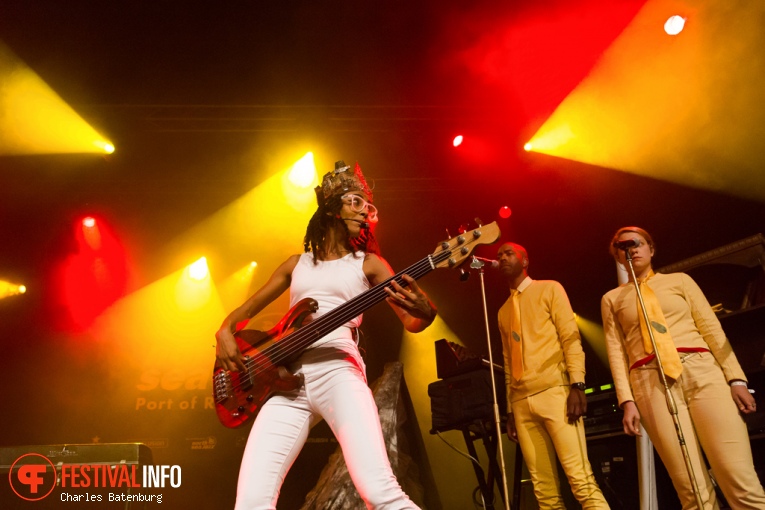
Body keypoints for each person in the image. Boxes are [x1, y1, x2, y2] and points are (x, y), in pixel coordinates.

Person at [215, 160, 437, 510]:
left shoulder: (369, 264)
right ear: (332, 207)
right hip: (289, 380)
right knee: (250, 502)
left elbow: (411, 322)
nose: (366, 213)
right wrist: (224, 330)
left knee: (380, 491)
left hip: (340, 371)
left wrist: (426, 312)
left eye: (369, 207)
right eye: (356, 203)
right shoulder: (295, 264)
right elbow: (244, 312)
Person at [601, 226, 765, 509]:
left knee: (736, 475)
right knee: (690, 486)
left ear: (651, 249)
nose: (631, 248)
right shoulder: (612, 299)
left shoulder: (680, 281)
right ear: (617, 255)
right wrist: (626, 399)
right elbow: (616, 350)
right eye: (622, 245)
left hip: (700, 370)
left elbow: (712, 330)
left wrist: (736, 379)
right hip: (649, 381)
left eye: (637, 242)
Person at [496, 242, 610, 510]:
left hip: (554, 392)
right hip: (522, 403)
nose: (501, 258)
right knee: (544, 492)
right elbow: (507, 363)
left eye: (508, 253)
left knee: (581, 480)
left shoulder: (549, 288)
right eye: (499, 255)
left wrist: (577, 384)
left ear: (525, 261)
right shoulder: (503, 312)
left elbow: (570, 338)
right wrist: (511, 409)